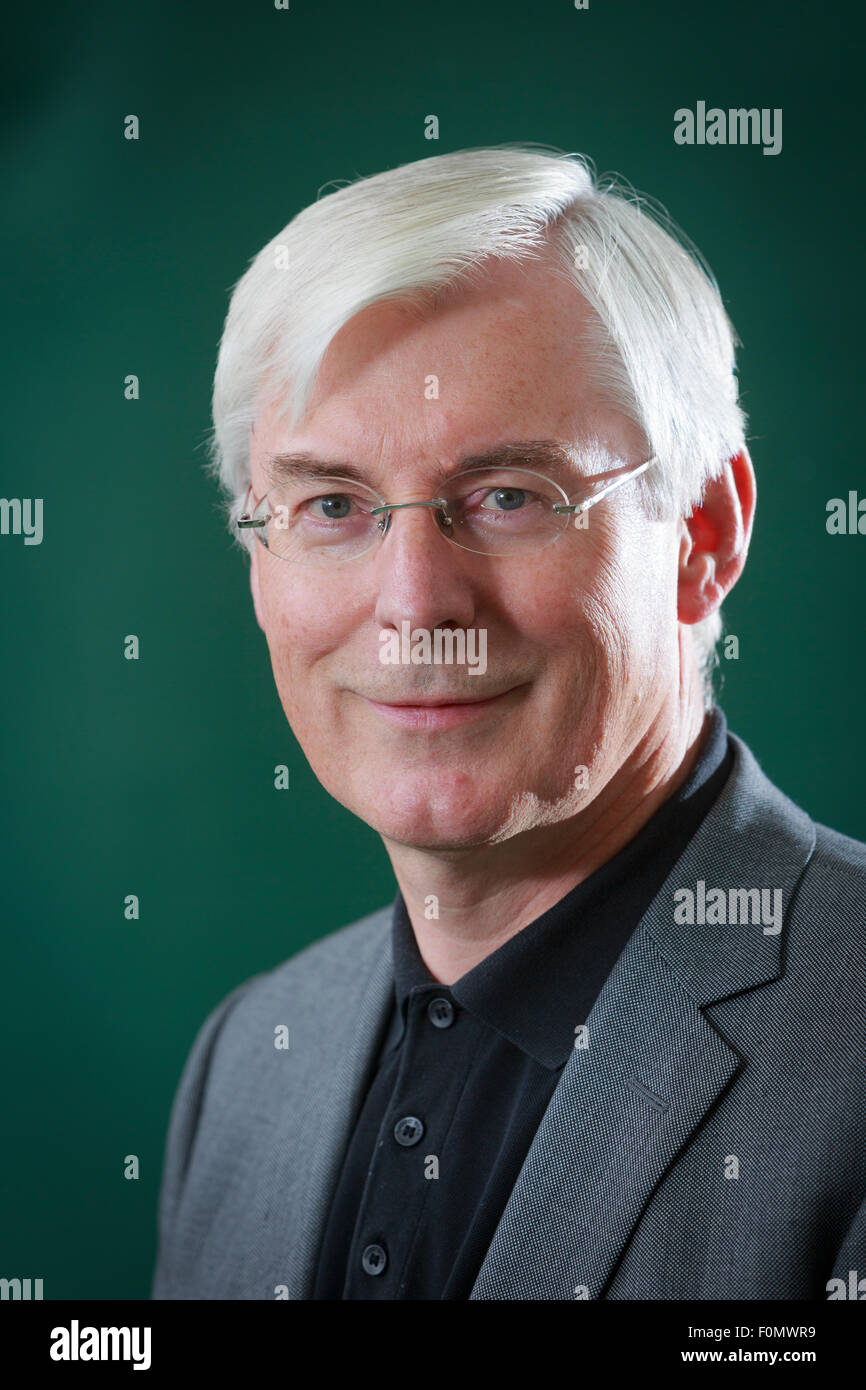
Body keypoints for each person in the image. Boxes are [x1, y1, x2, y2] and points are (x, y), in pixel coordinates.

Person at [151, 145, 866, 1300]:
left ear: (705, 532)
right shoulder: (245, 1064)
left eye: (507, 497)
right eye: (331, 503)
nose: (416, 605)